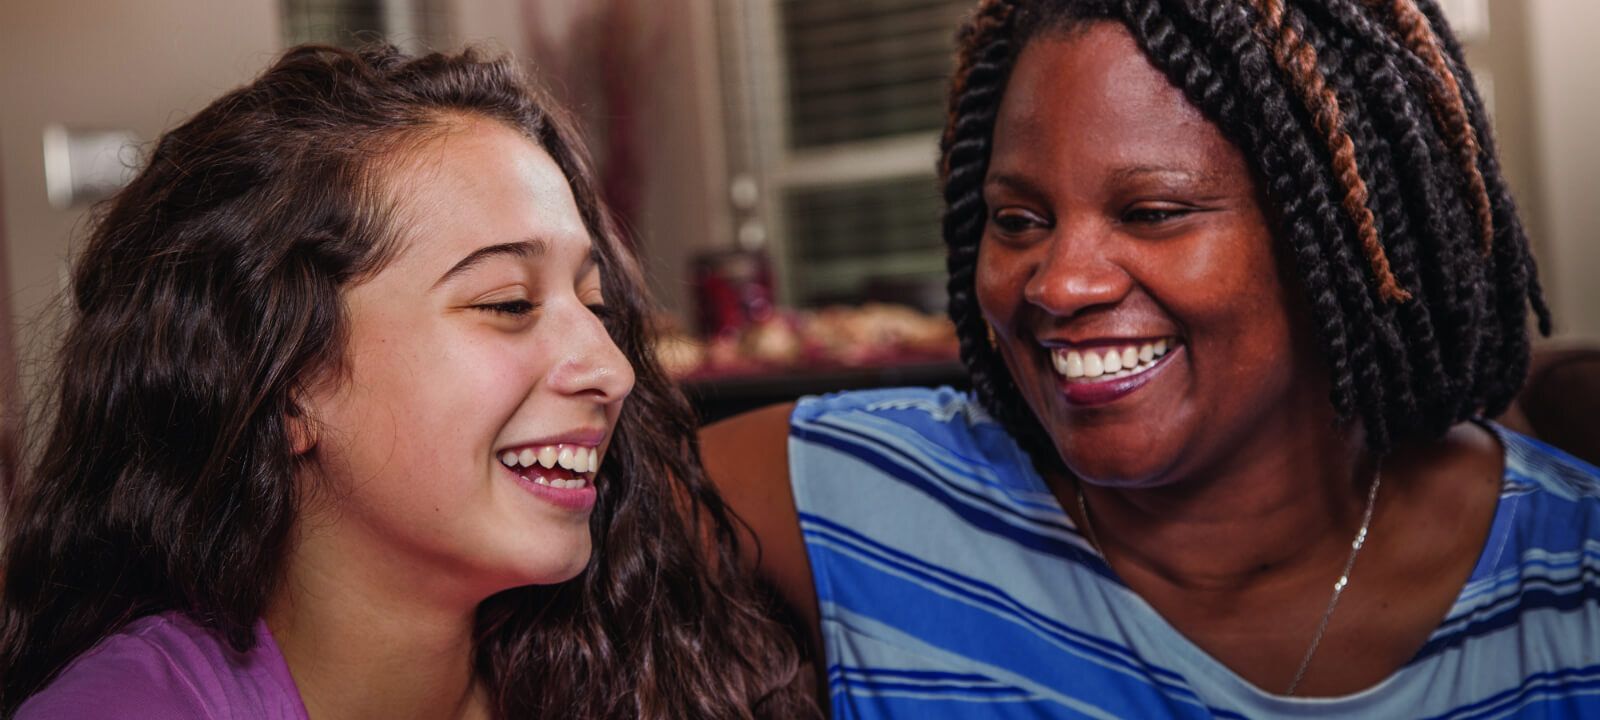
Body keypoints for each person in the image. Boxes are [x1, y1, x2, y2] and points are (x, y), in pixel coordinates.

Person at [703, 0, 1600, 717]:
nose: (1059, 284)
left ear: (1337, 242)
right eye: (1019, 221)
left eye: (1152, 213)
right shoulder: (861, 499)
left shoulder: (1570, 575)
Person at [0, 45, 813, 719]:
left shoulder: (635, 668)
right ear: (287, 384)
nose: (613, 368)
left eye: (595, 304)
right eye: (508, 303)